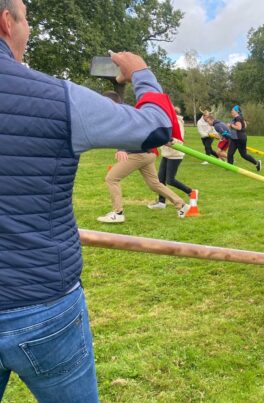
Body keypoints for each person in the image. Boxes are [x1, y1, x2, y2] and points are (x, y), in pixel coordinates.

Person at [0, 1, 176, 400]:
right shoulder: (58, 98)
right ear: (6, 22)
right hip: (43, 304)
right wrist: (141, 74)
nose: (27, 29)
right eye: (26, 18)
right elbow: (159, 126)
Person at [98, 102, 191, 222]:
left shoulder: (126, 116)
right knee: (154, 184)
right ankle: (182, 205)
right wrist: (166, 139)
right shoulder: (130, 116)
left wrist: (121, 149)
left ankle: (118, 213)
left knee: (111, 178)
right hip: (147, 155)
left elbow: (130, 133)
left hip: (138, 154)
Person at [148, 107, 195, 210]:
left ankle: (191, 191)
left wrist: (166, 140)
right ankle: (161, 202)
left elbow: (178, 140)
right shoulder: (168, 122)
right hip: (167, 153)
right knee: (160, 179)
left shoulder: (177, 122)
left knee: (170, 180)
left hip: (175, 154)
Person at [227, 105, 261, 171]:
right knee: (230, 153)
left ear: (236, 111)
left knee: (243, 155)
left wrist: (231, 125)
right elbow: (245, 126)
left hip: (240, 139)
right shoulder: (237, 118)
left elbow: (239, 128)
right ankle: (229, 168)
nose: (231, 111)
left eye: (232, 110)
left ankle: (257, 163)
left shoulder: (238, 118)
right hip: (234, 139)